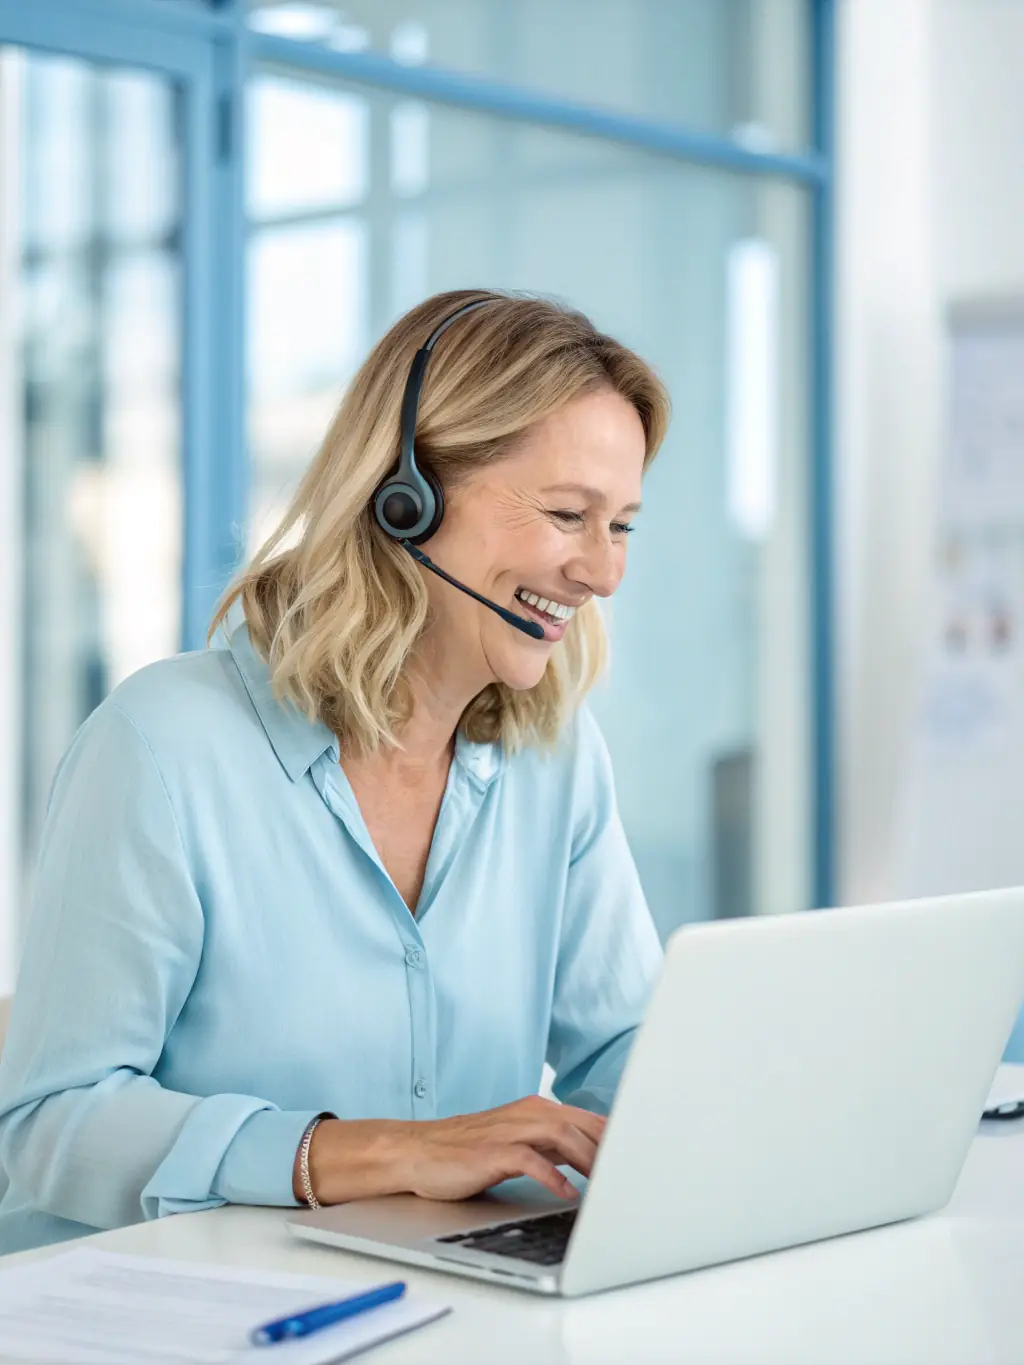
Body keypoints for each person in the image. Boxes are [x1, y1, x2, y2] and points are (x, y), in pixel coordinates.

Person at [0, 289, 670, 1253]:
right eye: (569, 514)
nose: (603, 574)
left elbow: (622, 1048)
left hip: (436, 1297)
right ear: (407, 499)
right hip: (159, 1302)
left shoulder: (556, 757)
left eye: (623, 527)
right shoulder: (163, 746)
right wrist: (376, 1151)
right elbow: (49, 1123)